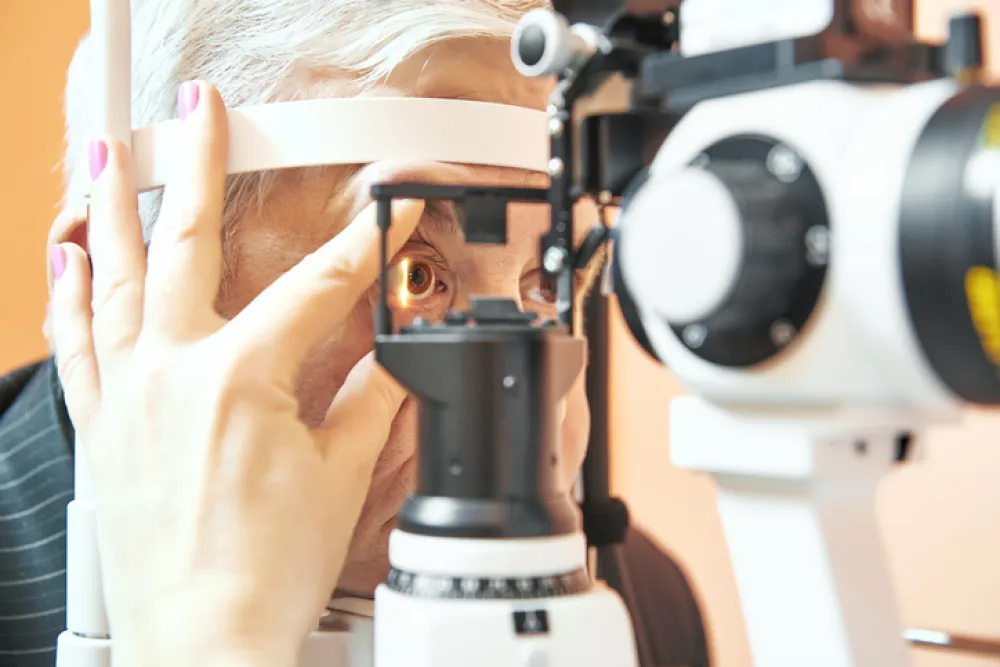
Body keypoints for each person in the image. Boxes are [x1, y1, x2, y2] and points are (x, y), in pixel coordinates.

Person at [0, 2, 711, 666]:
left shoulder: (647, 603)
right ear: (111, 298)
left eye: (547, 282)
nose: (516, 406)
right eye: (416, 278)